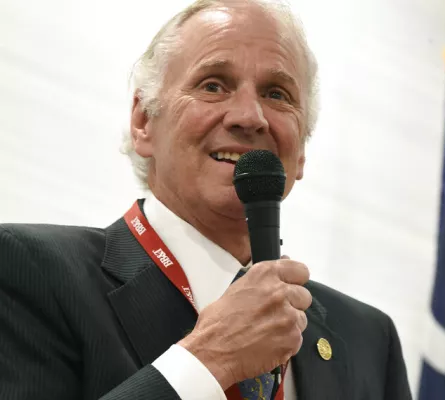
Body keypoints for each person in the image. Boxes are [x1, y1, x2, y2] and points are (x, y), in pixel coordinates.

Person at [0, 0, 413, 399]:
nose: (250, 116)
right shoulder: (28, 273)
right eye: (213, 85)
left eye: (277, 94)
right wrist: (208, 360)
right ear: (144, 121)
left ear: (301, 150)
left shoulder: (367, 341)